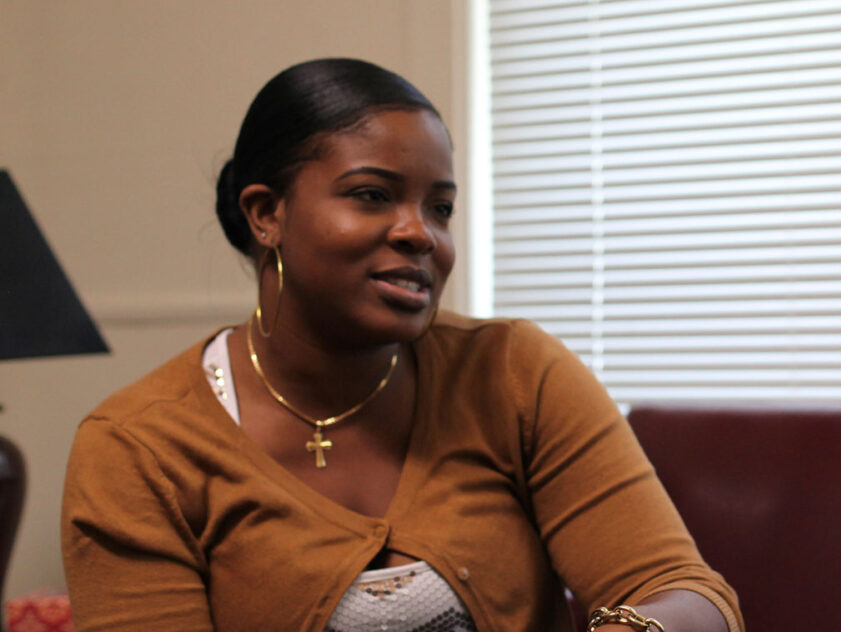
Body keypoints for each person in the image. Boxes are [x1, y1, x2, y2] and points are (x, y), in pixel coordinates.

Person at [61, 58, 742, 632]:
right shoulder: (139, 448)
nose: (421, 233)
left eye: (439, 207)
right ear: (267, 214)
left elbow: (684, 589)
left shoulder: (514, 373)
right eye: (371, 195)